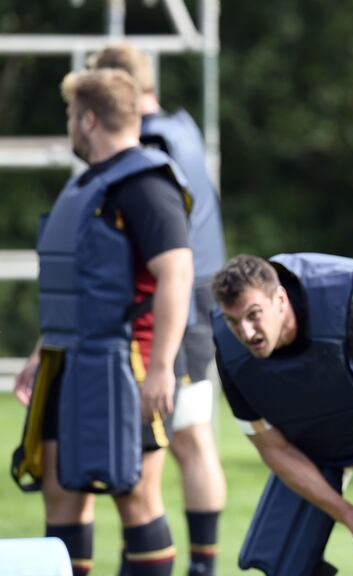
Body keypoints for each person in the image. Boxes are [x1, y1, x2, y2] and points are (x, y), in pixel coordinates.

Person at [12, 68, 194, 575]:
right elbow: (78, 284)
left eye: (70, 115)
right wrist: (40, 352)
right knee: (61, 492)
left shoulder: (145, 183)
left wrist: (160, 368)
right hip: (70, 363)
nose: (69, 124)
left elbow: (177, 273)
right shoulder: (87, 187)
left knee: (134, 493)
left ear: (88, 119)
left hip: (130, 361)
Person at [211, 253, 353, 576]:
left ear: (279, 299)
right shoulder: (229, 351)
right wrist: (346, 513)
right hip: (317, 438)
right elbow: (273, 448)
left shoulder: (348, 310)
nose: (246, 332)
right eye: (233, 321)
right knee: (283, 561)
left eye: (254, 315)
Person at [89, 44, 227, 576]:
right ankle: (196, 564)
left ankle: (179, 563)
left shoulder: (149, 142)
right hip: (200, 288)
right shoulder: (183, 126)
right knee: (192, 432)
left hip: (180, 298)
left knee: (175, 435)